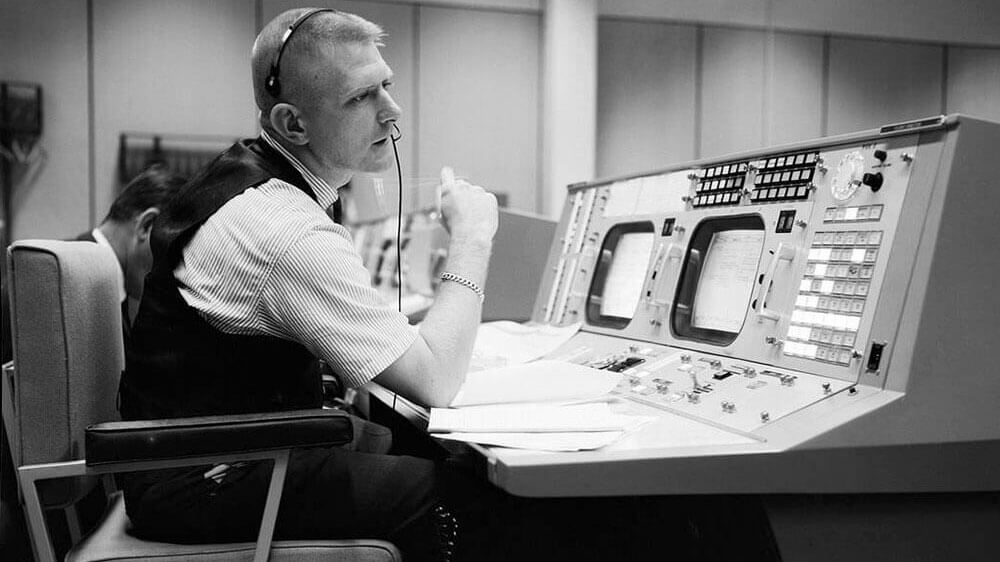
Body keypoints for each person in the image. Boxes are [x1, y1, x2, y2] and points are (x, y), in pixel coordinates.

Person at [119, 8, 497, 561]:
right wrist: (473, 238)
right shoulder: (283, 227)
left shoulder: (251, 185)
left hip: (195, 460)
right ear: (293, 124)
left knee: (395, 441)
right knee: (466, 488)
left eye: (387, 84)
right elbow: (436, 380)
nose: (392, 112)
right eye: (360, 97)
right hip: (200, 481)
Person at [0, 164, 185, 561]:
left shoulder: (95, 282)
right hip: (28, 512)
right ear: (147, 225)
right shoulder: (60, 288)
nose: (173, 271)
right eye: (174, 251)